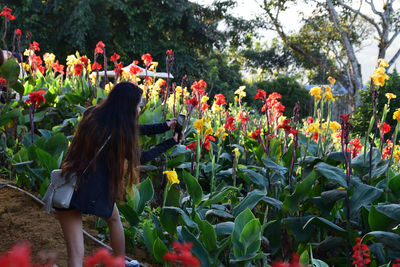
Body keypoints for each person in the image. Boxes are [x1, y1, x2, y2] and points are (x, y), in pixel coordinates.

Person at [57, 82, 182, 267]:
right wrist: (171, 142)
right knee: (114, 219)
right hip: (92, 191)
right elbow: (141, 157)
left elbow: (129, 128)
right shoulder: (119, 133)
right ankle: (119, 263)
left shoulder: (92, 114)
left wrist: (164, 126)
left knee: (75, 257)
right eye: (138, 105)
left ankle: (118, 263)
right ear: (128, 107)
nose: (140, 109)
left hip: (67, 184)